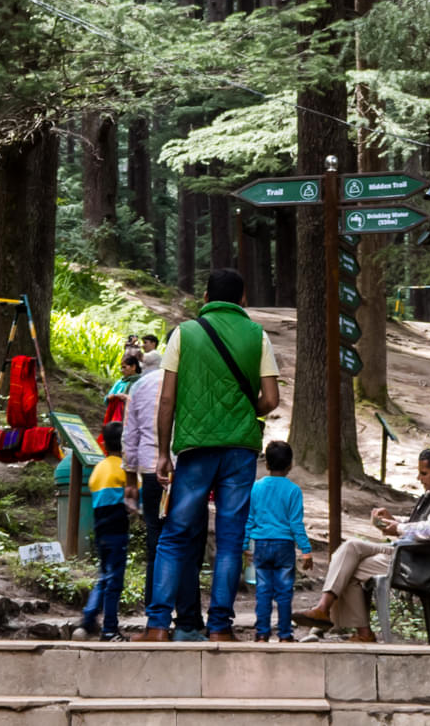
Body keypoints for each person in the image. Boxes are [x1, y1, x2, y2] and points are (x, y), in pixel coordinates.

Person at [139, 268, 277, 643]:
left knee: (175, 534)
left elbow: (166, 398)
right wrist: (245, 413)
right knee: (231, 539)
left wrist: (164, 452)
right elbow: (272, 400)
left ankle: (157, 625)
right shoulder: (258, 335)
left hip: (196, 448)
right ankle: (219, 626)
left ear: (205, 297)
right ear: (242, 299)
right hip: (240, 451)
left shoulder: (184, 333)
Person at [298, 446, 430, 643]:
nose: (419, 478)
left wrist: (399, 529)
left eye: (423, 473)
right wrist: (393, 522)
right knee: (350, 548)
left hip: (417, 562)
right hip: (405, 550)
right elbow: (419, 527)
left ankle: (353, 627)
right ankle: (324, 610)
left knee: (349, 568)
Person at [247, 440, 317, 642]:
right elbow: (296, 523)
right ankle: (285, 635)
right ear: (290, 465)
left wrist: (245, 545)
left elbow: (250, 519)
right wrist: (306, 550)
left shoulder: (256, 488)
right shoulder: (294, 491)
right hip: (284, 546)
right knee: (284, 592)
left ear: (266, 464)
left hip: (261, 545)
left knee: (263, 591)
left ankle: (262, 633)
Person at [121, 346, 167, 612]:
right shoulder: (191, 381)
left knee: (155, 538)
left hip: (150, 471)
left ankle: (154, 611)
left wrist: (130, 480)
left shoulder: (141, 385)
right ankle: (188, 616)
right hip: (183, 472)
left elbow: (131, 434)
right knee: (185, 541)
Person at [79, 421, 133, 640]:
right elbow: (134, 497)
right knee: (114, 582)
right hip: (117, 531)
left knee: (104, 576)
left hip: (100, 530)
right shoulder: (124, 470)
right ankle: (110, 629)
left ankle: (88, 619)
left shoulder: (98, 469)